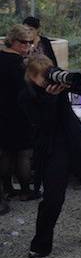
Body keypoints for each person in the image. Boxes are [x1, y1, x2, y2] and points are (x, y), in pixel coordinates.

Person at [20, 55, 81, 258]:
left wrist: (73, 80)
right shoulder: (26, 95)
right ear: (32, 76)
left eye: (49, 73)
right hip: (52, 147)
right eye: (42, 77)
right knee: (53, 198)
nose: (47, 79)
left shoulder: (59, 84)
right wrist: (50, 98)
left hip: (76, 140)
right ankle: (40, 245)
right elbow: (42, 123)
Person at [0, 25, 35, 208]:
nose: (28, 46)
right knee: (23, 153)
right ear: (13, 40)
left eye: (30, 42)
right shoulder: (18, 64)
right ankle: (25, 190)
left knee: (5, 152)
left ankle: (6, 188)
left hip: (3, 113)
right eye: (24, 42)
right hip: (18, 113)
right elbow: (26, 91)